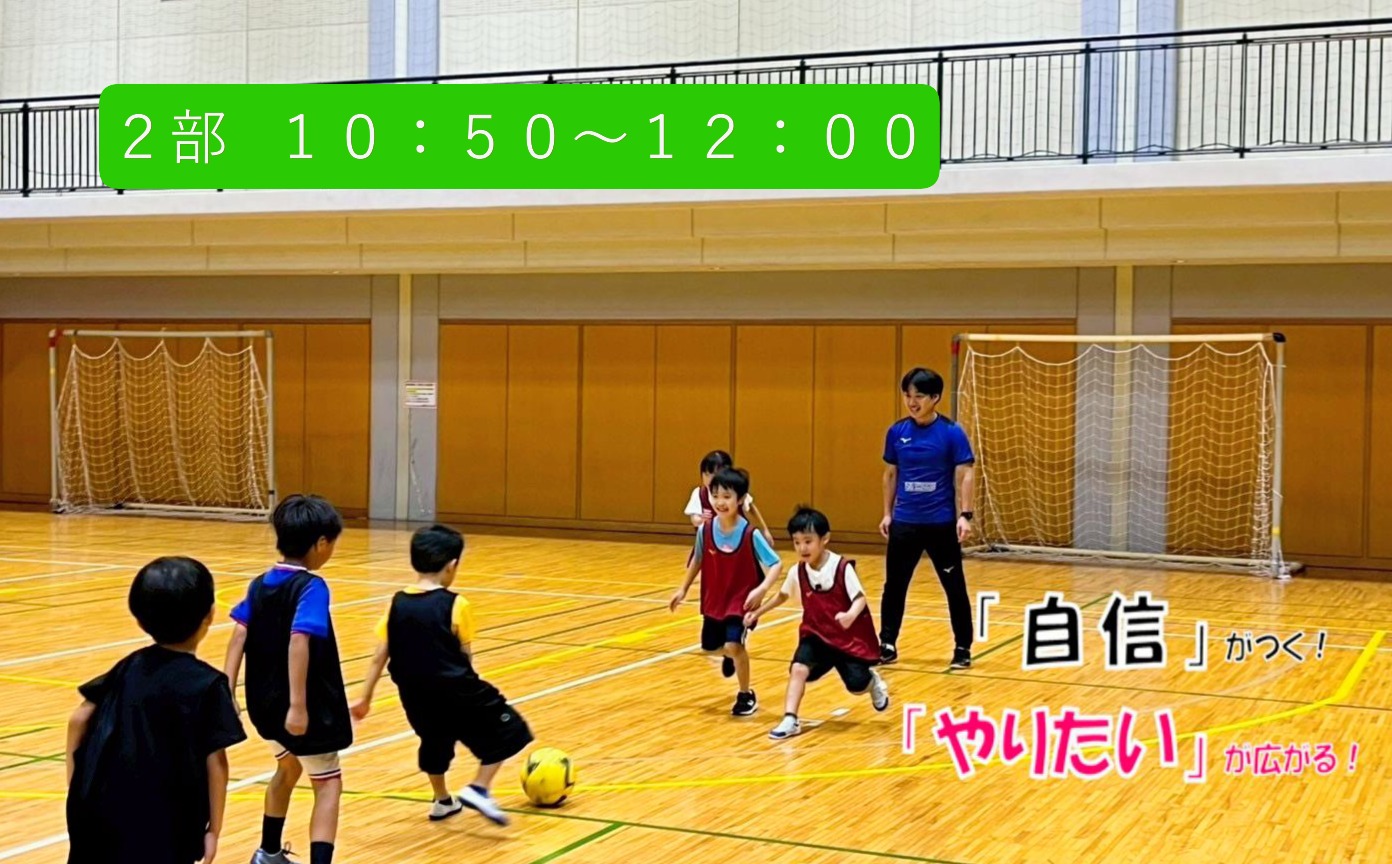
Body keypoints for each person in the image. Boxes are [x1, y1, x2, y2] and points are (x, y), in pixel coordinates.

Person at [66, 556, 246, 864]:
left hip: (100, 814)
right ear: (210, 615)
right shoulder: (208, 684)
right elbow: (216, 763)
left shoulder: (128, 666)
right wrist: (213, 830)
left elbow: (79, 718)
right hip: (167, 824)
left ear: (139, 620)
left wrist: (78, 789)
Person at [352, 524, 533, 827]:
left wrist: (364, 698)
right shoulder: (456, 604)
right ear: (452, 565)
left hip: (415, 695)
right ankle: (479, 788)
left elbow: (378, 656)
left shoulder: (397, 604)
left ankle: (442, 800)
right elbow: (465, 656)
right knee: (511, 730)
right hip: (457, 689)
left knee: (434, 742)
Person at [225, 494, 351, 864]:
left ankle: (268, 852)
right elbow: (299, 640)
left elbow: (239, 633)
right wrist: (298, 706)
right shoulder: (312, 587)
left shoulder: (260, 583)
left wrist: (227, 691)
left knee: (288, 765)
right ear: (321, 543)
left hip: (264, 705)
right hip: (301, 708)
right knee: (328, 784)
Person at [745, 507, 889, 740]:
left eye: (808, 541)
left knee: (857, 685)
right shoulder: (798, 571)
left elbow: (860, 598)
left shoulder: (841, 567)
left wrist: (850, 615)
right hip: (816, 635)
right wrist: (758, 612)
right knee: (799, 669)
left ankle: (873, 683)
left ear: (825, 539)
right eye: (797, 542)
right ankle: (790, 719)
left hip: (846, 639)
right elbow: (782, 596)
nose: (802, 548)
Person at [880, 367, 976, 669]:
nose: (912, 402)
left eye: (919, 396)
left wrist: (965, 515)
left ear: (935, 398)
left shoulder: (952, 433)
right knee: (894, 586)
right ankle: (887, 643)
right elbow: (891, 474)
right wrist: (887, 513)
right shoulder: (897, 432)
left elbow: (966, 473)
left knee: (954, 586)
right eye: (907, 395)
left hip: (940, 523)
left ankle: (962, 647)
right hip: (905, 523)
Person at [671, 466, 782, 716]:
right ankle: (730, 656)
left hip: (741, 602)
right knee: (710, 648)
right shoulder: (705, 530)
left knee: (734, 645)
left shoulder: (750, 534)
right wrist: (683, 589)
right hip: (715, 600)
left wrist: (762, 589)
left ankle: (745, 695)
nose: (720, 502)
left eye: (727, 496)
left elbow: (776, 564)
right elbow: (698, 559)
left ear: (740, 500)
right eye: (715, 496)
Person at [684, 450, 774, 544]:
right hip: (710, 542)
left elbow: (751, 509)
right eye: (706, 474)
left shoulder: (736, 491)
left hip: (738, 539)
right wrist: (701, 520)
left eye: (715, 474)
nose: (710, 479)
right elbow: (694, 520)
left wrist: (764, 530)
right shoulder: (699, 493)